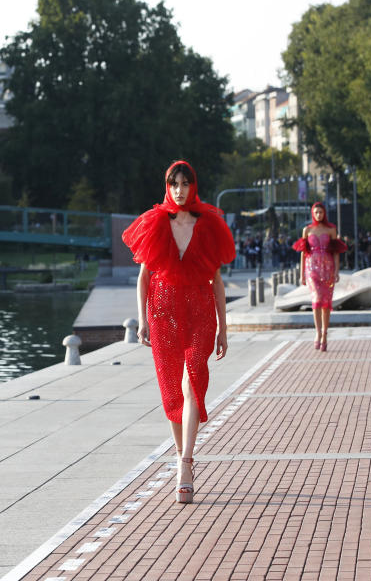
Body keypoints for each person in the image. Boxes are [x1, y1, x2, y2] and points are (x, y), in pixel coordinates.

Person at [122, 160, 235, 505]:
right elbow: (144, 277)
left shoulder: (209, 223)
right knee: (172, 392)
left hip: (200, 311)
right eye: (174, 184)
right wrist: (141, 320)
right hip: (164, 313)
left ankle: (186, 462)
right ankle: (180, 455)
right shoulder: (156, 221)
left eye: (185, 183)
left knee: (192, 382)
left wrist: (224, 330)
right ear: (167, 187)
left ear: (193, 186)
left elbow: (216, 282)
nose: (180, 190)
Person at [293, 203, 347, 351]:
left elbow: (336, 252)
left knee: (326, 302)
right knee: (316, 299)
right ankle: (317, 332)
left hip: (327, 268)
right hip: (312, 269)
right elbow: (304, 253)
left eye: (321, 212)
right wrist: (302, 274)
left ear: (324, 213)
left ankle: (325, 333)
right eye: (316, 212)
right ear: (312, 213)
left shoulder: (331, 229)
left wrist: (336, 271)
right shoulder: (307, 230)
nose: (318, 215)